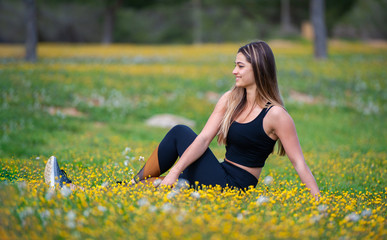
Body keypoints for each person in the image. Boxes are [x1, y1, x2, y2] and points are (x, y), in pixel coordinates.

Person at [44, 41, 320, 199]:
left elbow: (298, 162)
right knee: (153, 185)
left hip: (235, 186)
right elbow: (203, 139)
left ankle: (72, 189)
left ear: (258, 69)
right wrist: (175, 173)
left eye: (240, 66)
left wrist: (319, 203)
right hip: (218, 174)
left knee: (178, 133)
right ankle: (73, 189)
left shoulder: (276, 115)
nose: (233, 71)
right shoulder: (231, 99)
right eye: (234, 64)